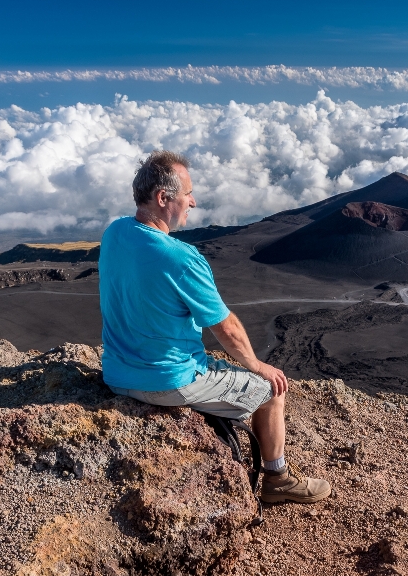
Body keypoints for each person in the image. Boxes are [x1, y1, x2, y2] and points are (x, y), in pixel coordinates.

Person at [99, 150, 330, 504]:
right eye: (187, 193)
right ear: (163, 198)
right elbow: (225, 327)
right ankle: (277, 478)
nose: (192, 201)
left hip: (116, 375)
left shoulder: (115, 233)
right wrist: (257, 365)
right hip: (165, 381)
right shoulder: (182, 259)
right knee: (273, 390)